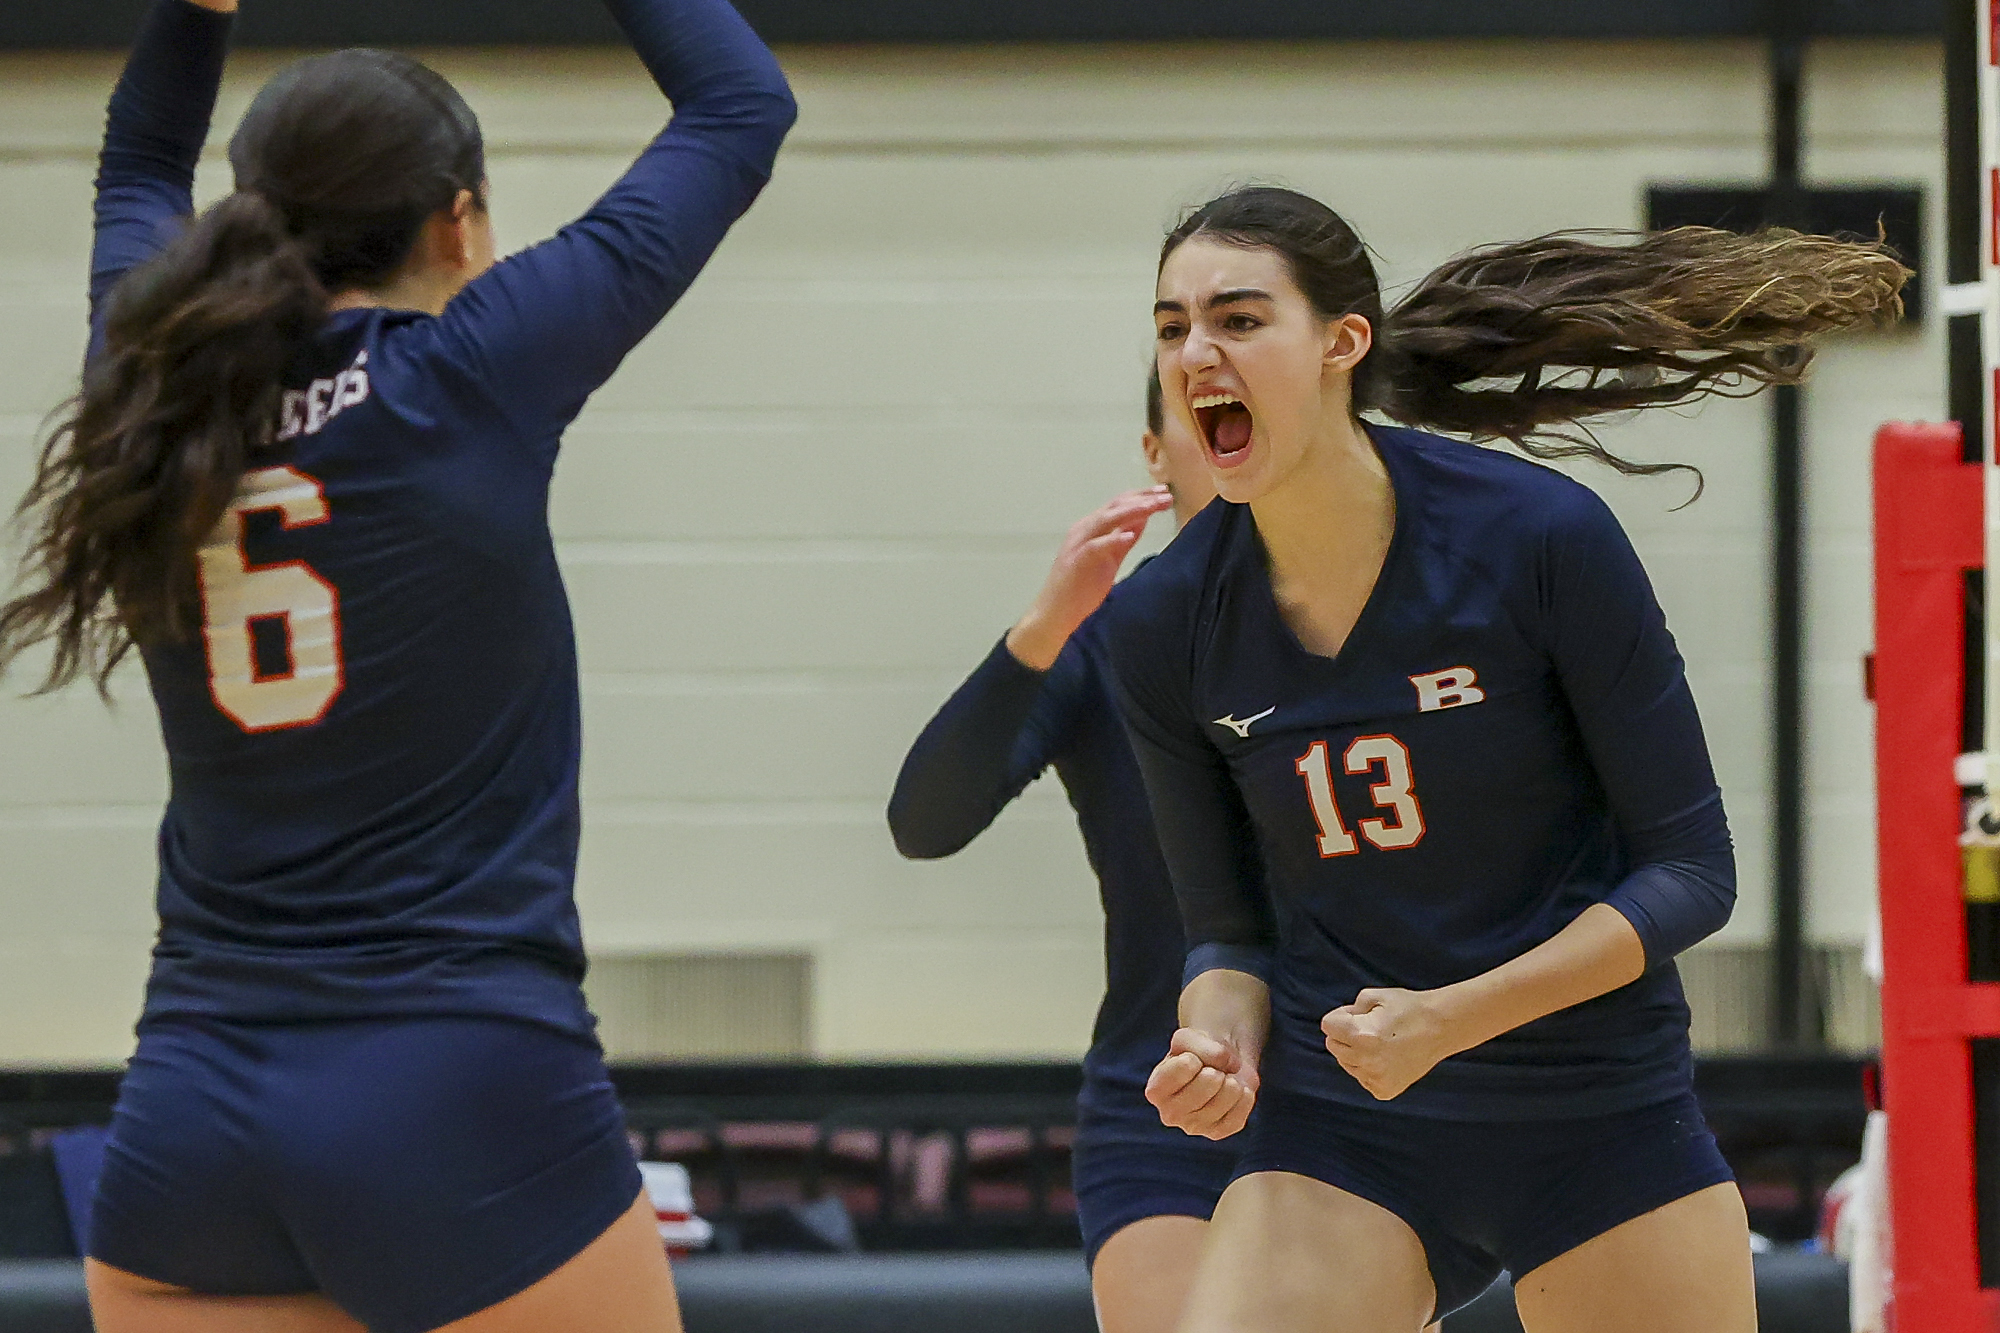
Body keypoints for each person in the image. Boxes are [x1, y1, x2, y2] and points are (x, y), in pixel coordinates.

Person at [0, 0, 793, 1327]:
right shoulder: (472, 369)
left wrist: (194, 14)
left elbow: (139, 168)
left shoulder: (146, 385)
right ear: (461, 223)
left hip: (192, 1115)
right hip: (460, 1082)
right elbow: (739, 104)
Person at [1104, 186, 1906, 1333]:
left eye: (1236, 319)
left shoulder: (1536, 536)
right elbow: (1226, 929)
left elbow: (1689, 869)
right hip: (1346, 1125)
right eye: (1173, 325)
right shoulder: (1162, 621)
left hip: (1593, 1110)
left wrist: (1452, 1017)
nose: (1195, 352)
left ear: (1341, 344)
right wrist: (1217, 1037)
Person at [888, 371, 1227, 1333]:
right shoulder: (1101, 641)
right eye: (1199, 418)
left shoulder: (1373, 634)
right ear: (1153, 455)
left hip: (1351, 1095)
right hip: (1162, 1098)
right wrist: (1044, 625)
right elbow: (925, 822)